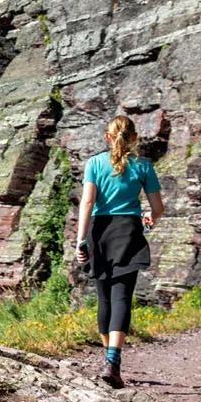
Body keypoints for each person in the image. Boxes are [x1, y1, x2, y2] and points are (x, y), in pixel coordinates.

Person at [75, 115, 164, 388]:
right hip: (128, 231)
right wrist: (151, 218)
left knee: (104, 299)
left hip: (100, 232)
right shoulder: (143, 166)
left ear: (107, 137)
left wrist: (80, 241)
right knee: (122, 296)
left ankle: (109, 361)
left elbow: (87, 203)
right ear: (134, 138)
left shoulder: (94, 164)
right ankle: (113, 362)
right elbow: (157, 208)